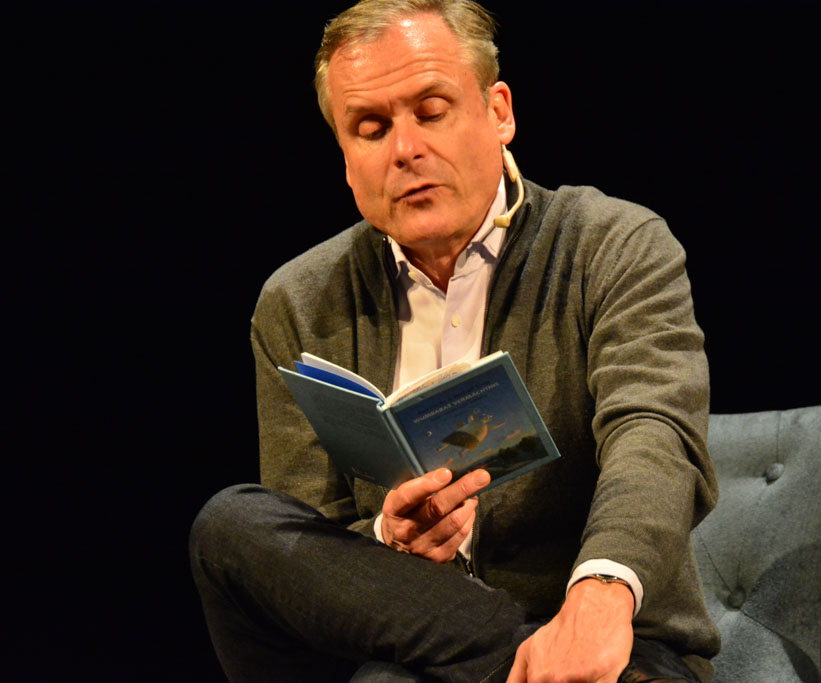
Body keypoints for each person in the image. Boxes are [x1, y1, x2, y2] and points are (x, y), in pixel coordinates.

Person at [190, 1, 720, 681]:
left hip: (612, 646)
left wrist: (600, 593)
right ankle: (509, 652)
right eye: (371, 128)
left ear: (499, 112)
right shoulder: (297, 301)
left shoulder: (612, 244)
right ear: (345, 157)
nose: (405, 149)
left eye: (432, 111)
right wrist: (385, 540)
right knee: (228, 526)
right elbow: (311, 550)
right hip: (403, 644)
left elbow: (654, 433)